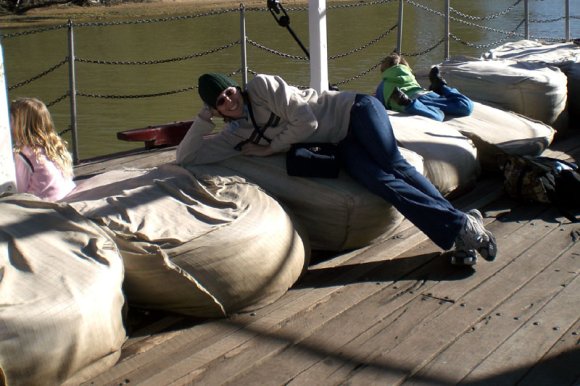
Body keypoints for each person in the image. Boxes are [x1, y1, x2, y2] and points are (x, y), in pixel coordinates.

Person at [176, 73, 496, 266]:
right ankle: (461, 226)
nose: (229, 99)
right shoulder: (234, 133)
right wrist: (202, 119)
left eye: (229, 91)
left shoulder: (261, 87)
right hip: (341, 143)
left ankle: (461, 230)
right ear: (216, 109)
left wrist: (269, 148)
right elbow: (187, 157)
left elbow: (308, 121)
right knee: (380, 182)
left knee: (392, 163)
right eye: (219, 101)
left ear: (236, 86)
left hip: (355, 110)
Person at [375, 52, 473, 121]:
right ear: (406, 67)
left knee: (437, 116)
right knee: (466, 107)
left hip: (412, 101)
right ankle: (442, 86)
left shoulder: (383, 85)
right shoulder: (410, 76)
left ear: (384, 70)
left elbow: (380, 107)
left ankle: (407, 103)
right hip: (426, 94)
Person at [10, 97, 75, 201]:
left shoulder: (24, 154)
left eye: (11, 120)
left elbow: (18, 190)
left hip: (43, 206)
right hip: (65, 197)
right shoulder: (53, 146)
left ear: (21, 124)